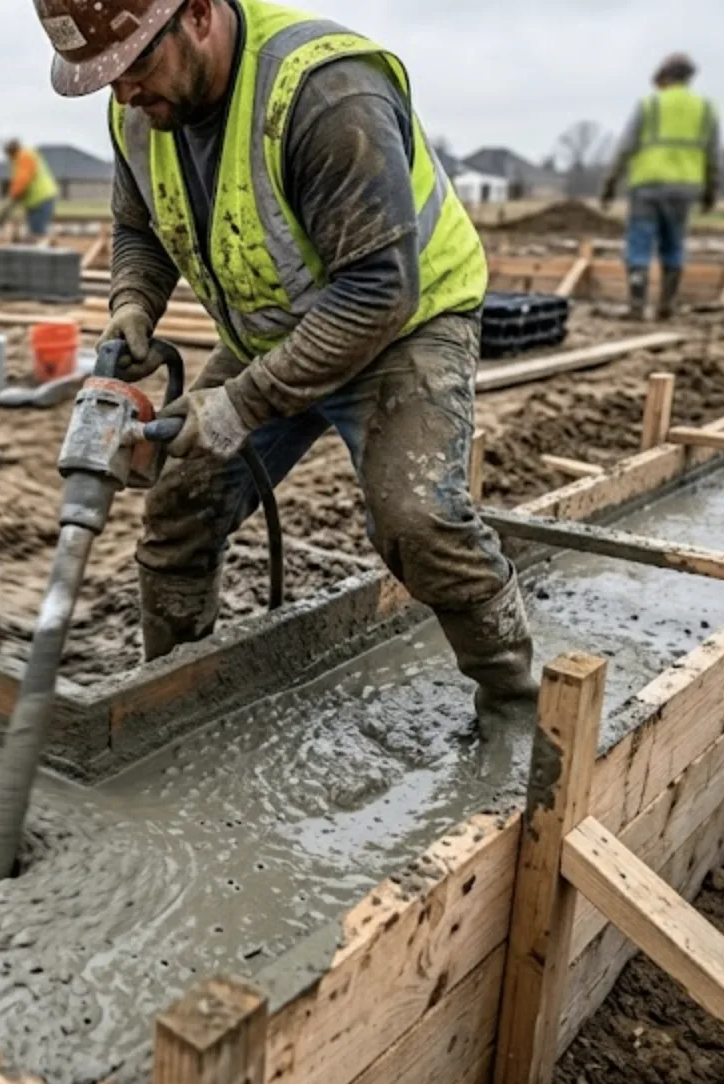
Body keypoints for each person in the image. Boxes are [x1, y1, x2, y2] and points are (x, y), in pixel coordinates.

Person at [34, 0, 539, 735]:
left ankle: (517, 709)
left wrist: (239, 406)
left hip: (402, 327)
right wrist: (132, 304)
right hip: (273, 326)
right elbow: (138, 226)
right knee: (178, 505)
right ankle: (171, 711)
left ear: (199, 13)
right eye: (103, 78)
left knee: (419, 520)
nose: (124, 93)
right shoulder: (139, 114)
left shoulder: (329, 94)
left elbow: (376, 291)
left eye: (136, 63)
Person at [601, 54, 720, 320]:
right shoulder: (704, 108)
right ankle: (667, 305)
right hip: (685, 188)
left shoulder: (650, 104)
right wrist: (711, 191)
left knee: (639, 243)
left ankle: (636, 306)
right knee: (674, 244)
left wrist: (610, 183)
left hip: (647, 185)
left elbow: (625, 147)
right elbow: (713, 155)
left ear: (663, 76)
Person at [0, 139, 61, 237]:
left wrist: (10, 201)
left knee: (37, 235)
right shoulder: (20, 157)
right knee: (35, 232)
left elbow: (22, 182)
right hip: (37, 200)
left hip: (41, 199)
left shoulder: (24, 157)